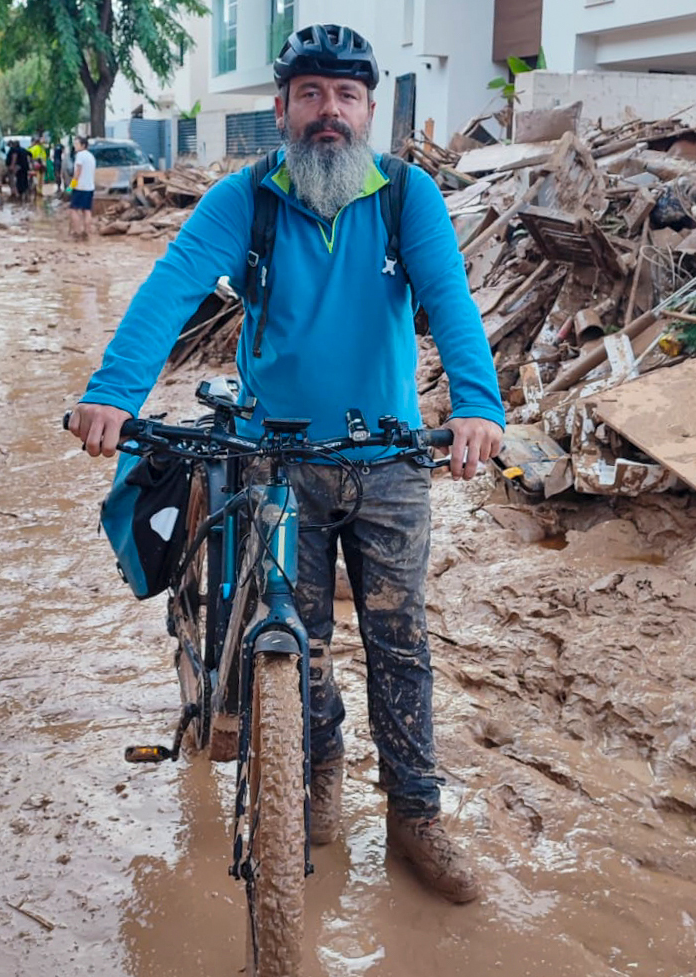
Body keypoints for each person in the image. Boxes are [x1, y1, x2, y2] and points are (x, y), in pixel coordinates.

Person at [68, 24, 504, 904]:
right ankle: (314, 778)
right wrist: (113, 390)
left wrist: (479, 407)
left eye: (346, 97)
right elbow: (172, 283)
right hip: (276, 463)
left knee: (401, 642)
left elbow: (451, 300)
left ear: (370, 111)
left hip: (387, 458)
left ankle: (418, 816)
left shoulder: (406, 198)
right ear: (282, 109)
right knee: (295, 647)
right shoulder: (246, 199)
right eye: (311, 95)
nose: (328, 113)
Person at [68, 135, 96, 240]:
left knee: (73, 210)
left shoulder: (80, 155)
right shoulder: (91, 156)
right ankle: (87, 232)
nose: (75, 146)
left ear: (83, 145)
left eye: (76, 144)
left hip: (80, 187)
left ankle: (76, 231)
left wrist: (71, 186)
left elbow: (77, 172)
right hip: (89, 187)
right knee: (87, 210)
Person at [29, 134, 47, 200]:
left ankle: (38, 193)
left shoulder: (33, 148)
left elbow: (30, 158)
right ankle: (39, 193)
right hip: (41, 166)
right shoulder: (41, 148)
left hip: (37, 167)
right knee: (40, 181)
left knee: (37, 181)